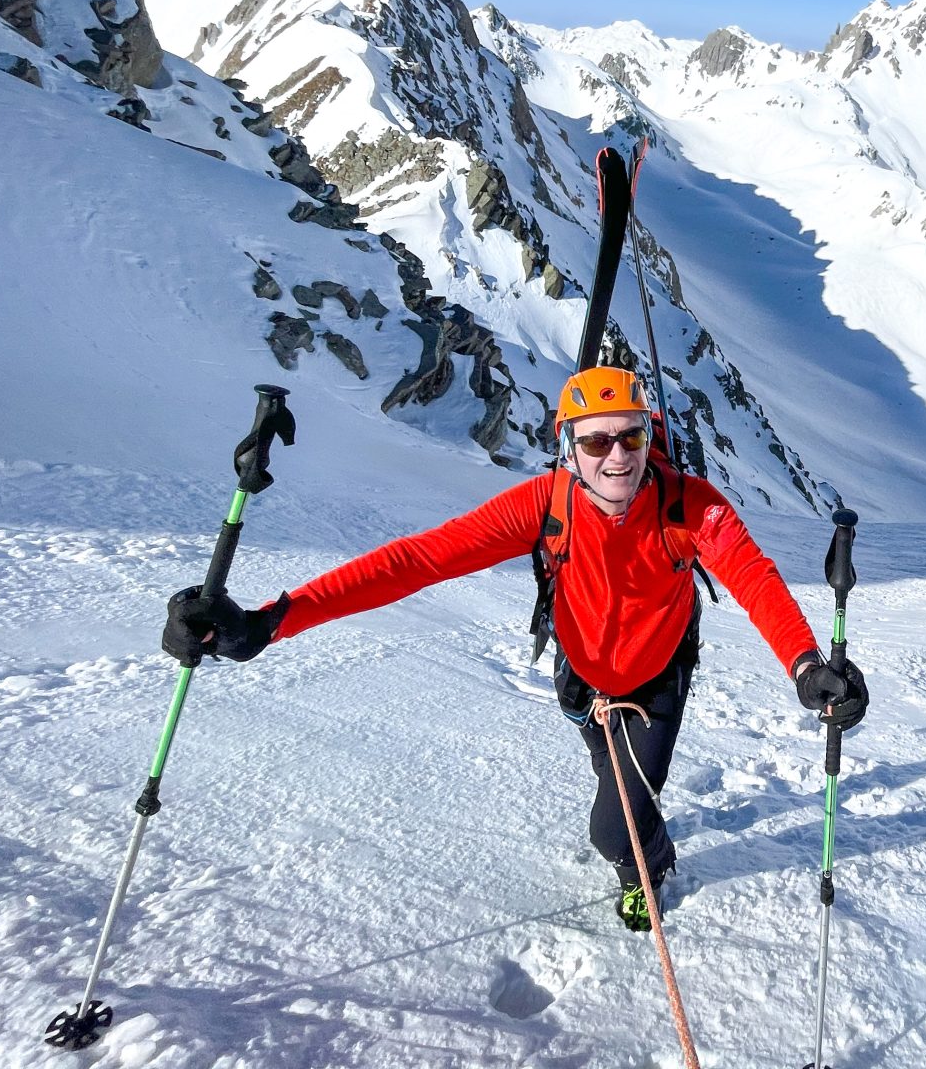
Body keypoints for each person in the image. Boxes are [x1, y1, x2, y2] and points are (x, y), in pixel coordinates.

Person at [162, 366, 868, 931]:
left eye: (631, 436)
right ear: (569, 447)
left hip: (656, 681)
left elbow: (753, 577)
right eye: (596, 441)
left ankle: (644, 865)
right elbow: (417, 560)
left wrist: (806, 666)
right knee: (613, 781)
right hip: (581, 681)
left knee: (616, 829)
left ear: (651, 438)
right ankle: (637, 837)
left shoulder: (691, 505)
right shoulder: (544, 504)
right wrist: (272, 620)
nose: (616, 455)